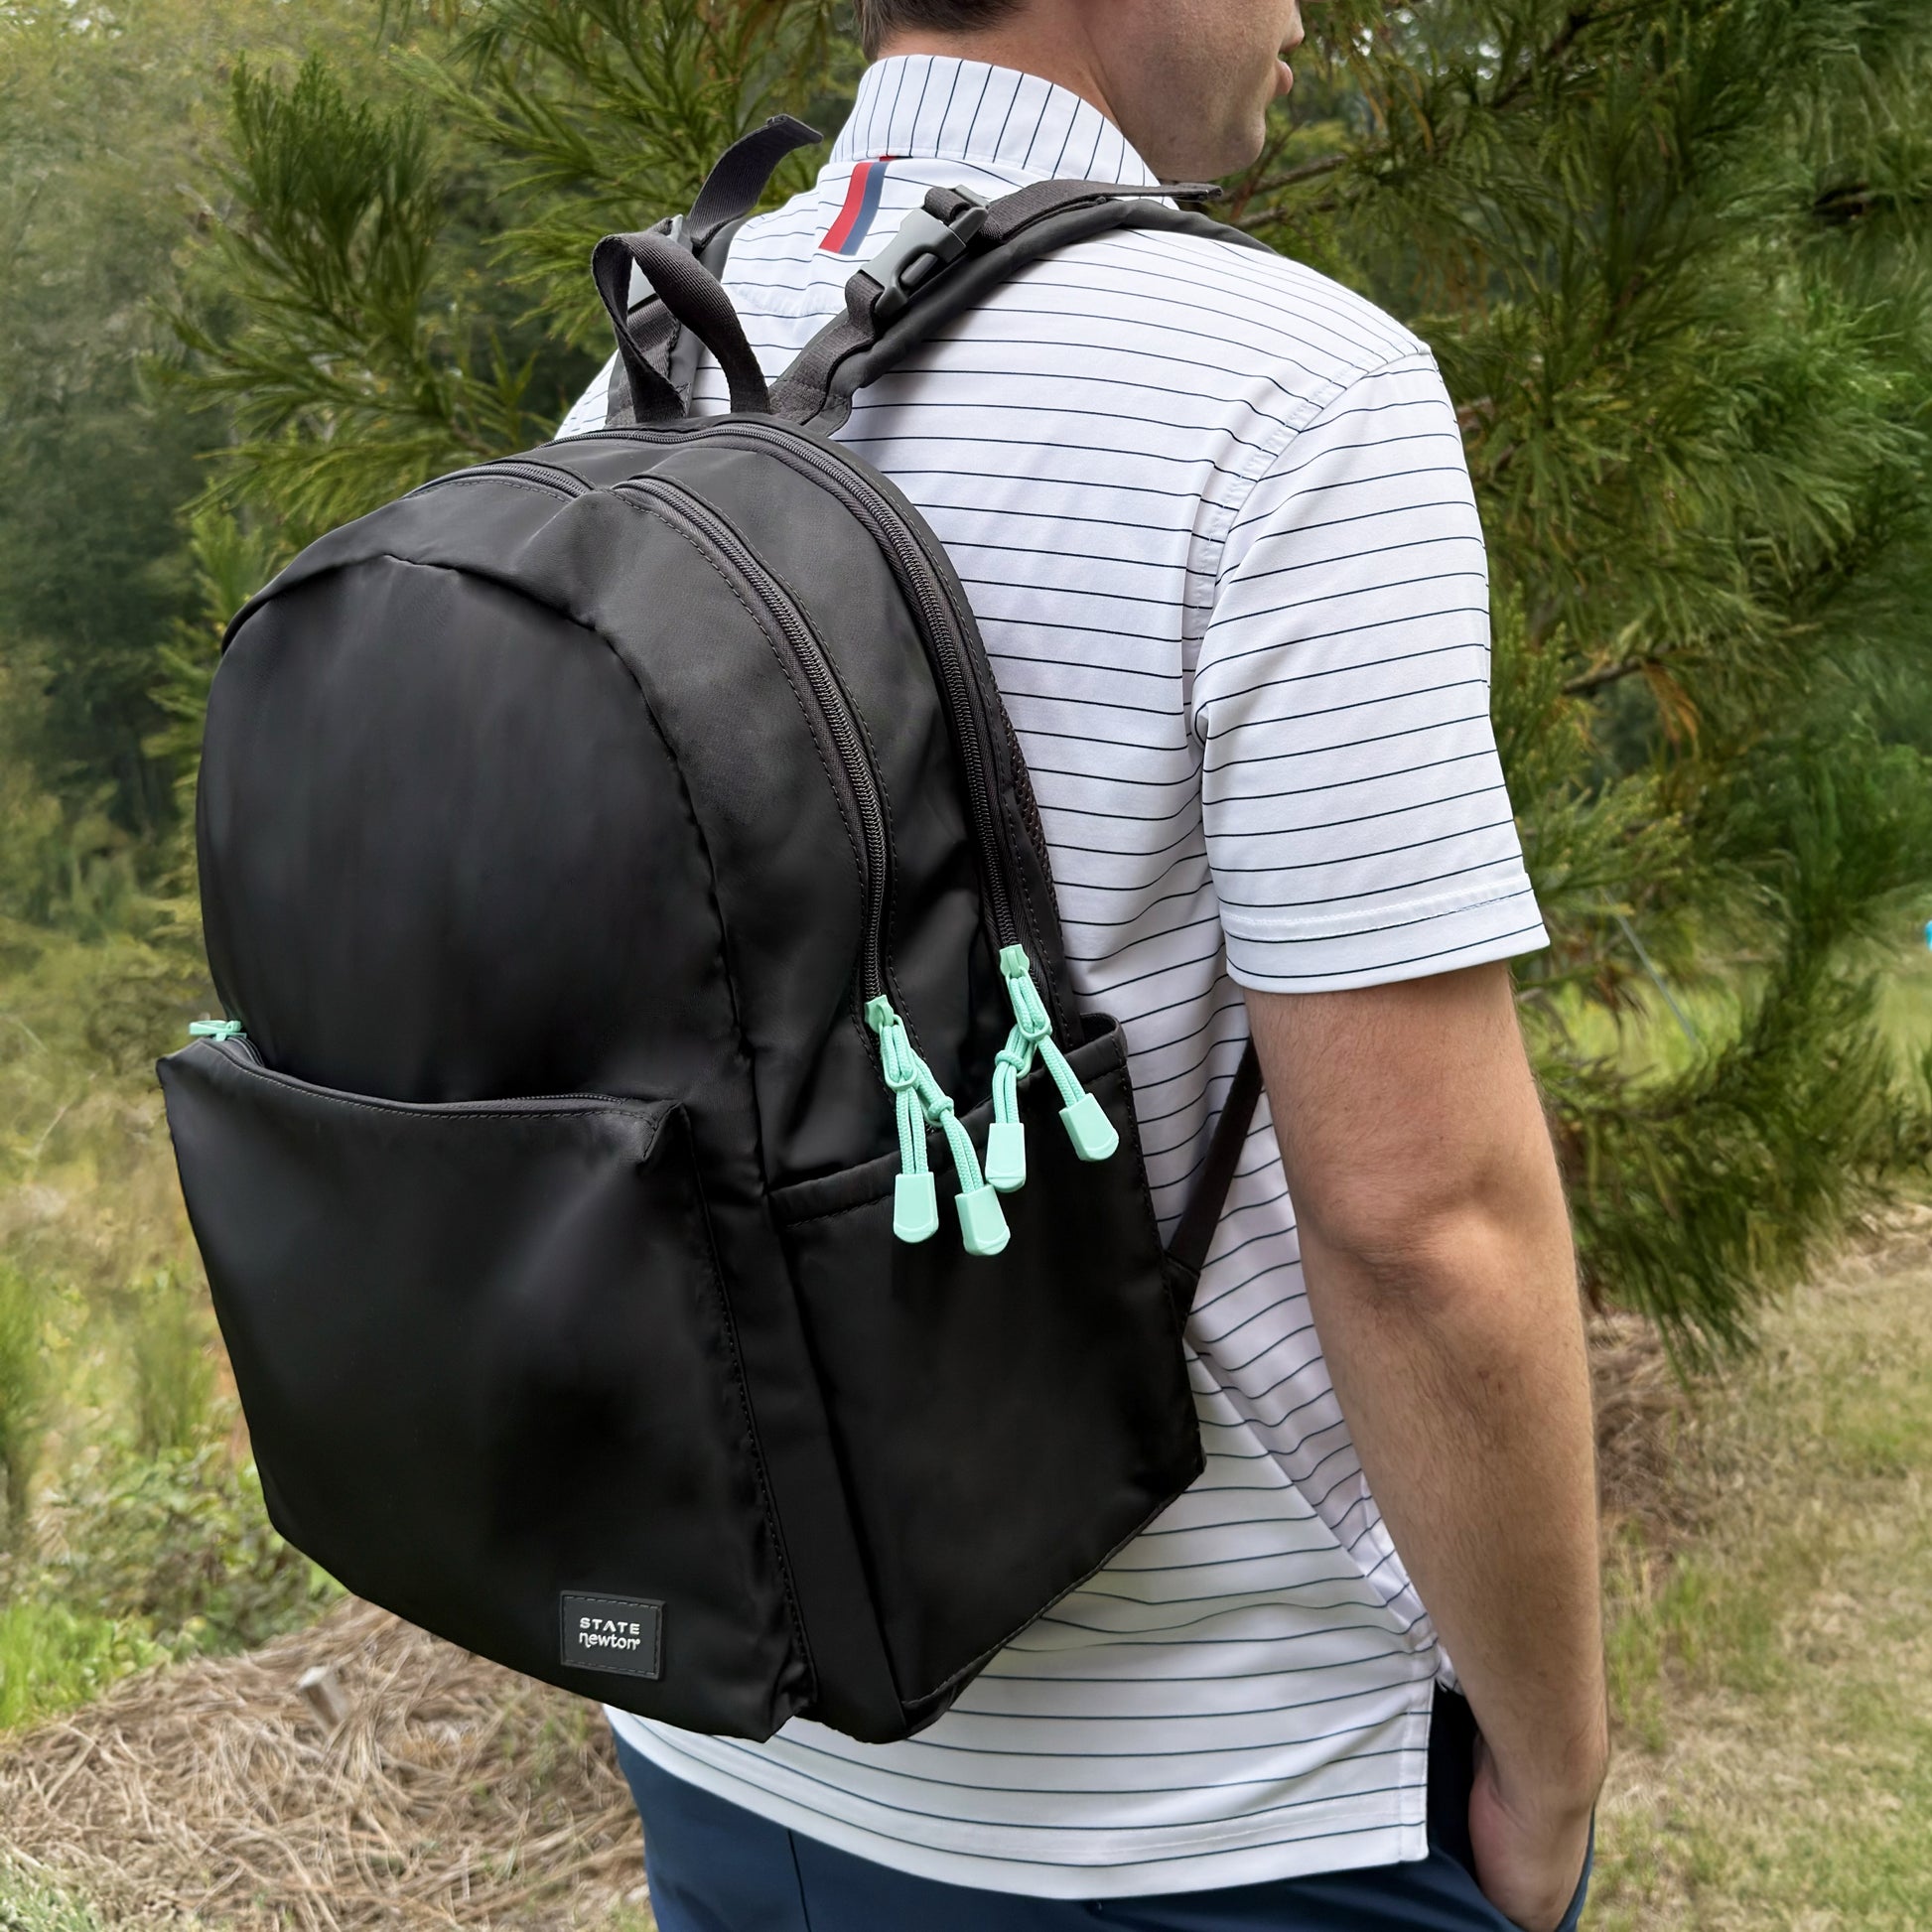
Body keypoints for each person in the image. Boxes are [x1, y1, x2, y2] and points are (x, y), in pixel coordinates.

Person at [560, 2, 1609, 1926]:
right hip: (1214, 1808)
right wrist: (1552, 1766)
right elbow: (1418, 1224)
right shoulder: (1294, 393)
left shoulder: (640, 377)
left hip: (732, 1740)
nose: (1300, 13)